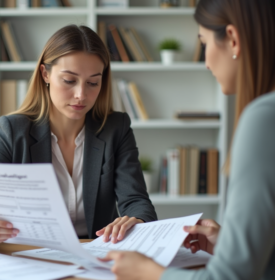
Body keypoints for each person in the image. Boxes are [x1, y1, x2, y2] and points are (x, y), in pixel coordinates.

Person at [102, 0, 275, 279]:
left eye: (204, 44)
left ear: (232, 39)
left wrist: (150, 273)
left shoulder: (263, 118)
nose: (206, 63)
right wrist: (232, 244)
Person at [0, 25, 157, 249]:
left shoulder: (115, 128)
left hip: (98, 255)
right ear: (45, 74)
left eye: (93, 82)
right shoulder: (13, 131)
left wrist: (136, 221)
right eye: (69, 80)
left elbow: (137, 202)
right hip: (33, 256)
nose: (81, 94)